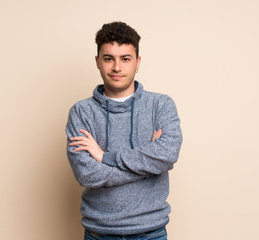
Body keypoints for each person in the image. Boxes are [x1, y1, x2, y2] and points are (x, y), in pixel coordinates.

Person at [66, 21, 182, 240]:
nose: (117, 67)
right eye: (109, 58)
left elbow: (166, 156)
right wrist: (148, 162)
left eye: (125, 59)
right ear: (97, 62)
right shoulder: (82, 112)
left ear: (137, 63)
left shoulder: (160, 106)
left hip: (151, 233)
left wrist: (104, 157)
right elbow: (87, 173)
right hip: (99, 233)